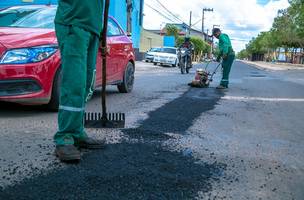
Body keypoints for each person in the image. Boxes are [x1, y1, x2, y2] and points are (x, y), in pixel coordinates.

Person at [54, 0, 105, 162]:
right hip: (73, 21)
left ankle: (77, 131)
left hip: (93, 26)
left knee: (86, 83)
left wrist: (102, 33)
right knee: (74, 82)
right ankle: (65, 136)